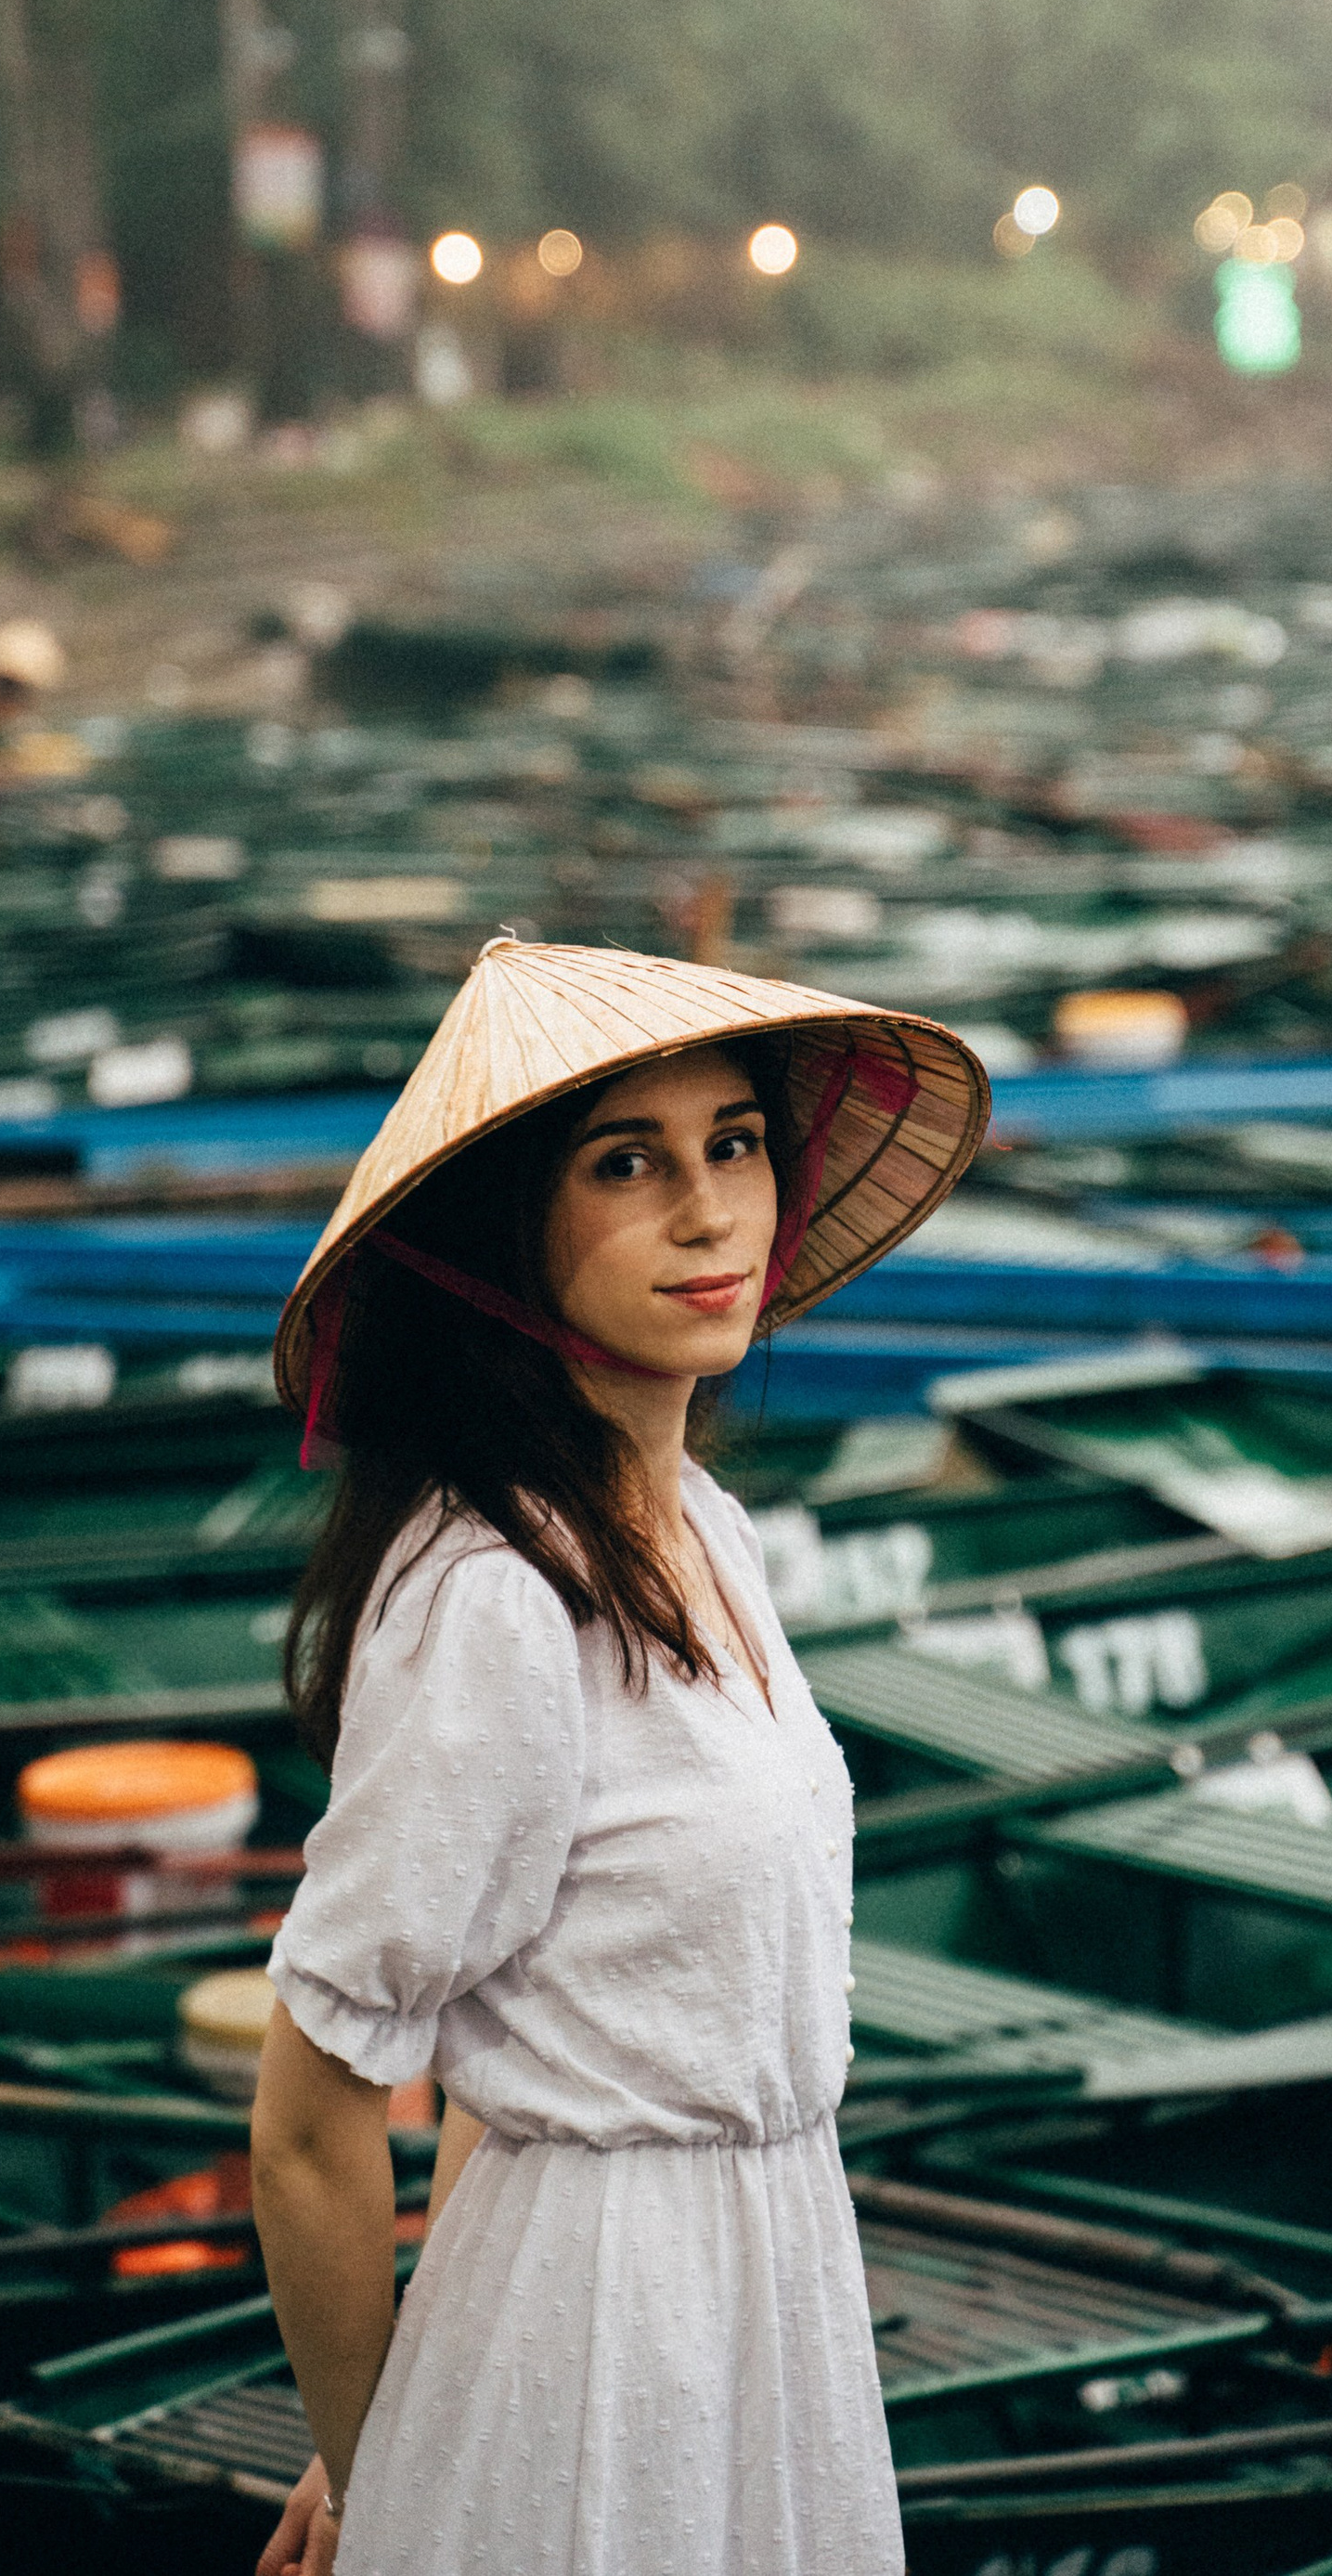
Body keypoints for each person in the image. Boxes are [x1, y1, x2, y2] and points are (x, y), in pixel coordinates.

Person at [249, 937, 988, 2576]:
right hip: (596, 2338)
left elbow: (512, 2012)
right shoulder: (499, 1600)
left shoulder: (703, 1526)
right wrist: (383, 2463)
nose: (710, 1209)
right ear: (505, 1231)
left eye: (736, 1141)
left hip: (763, 2296)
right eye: (625, 1163)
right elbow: (310, 2115)